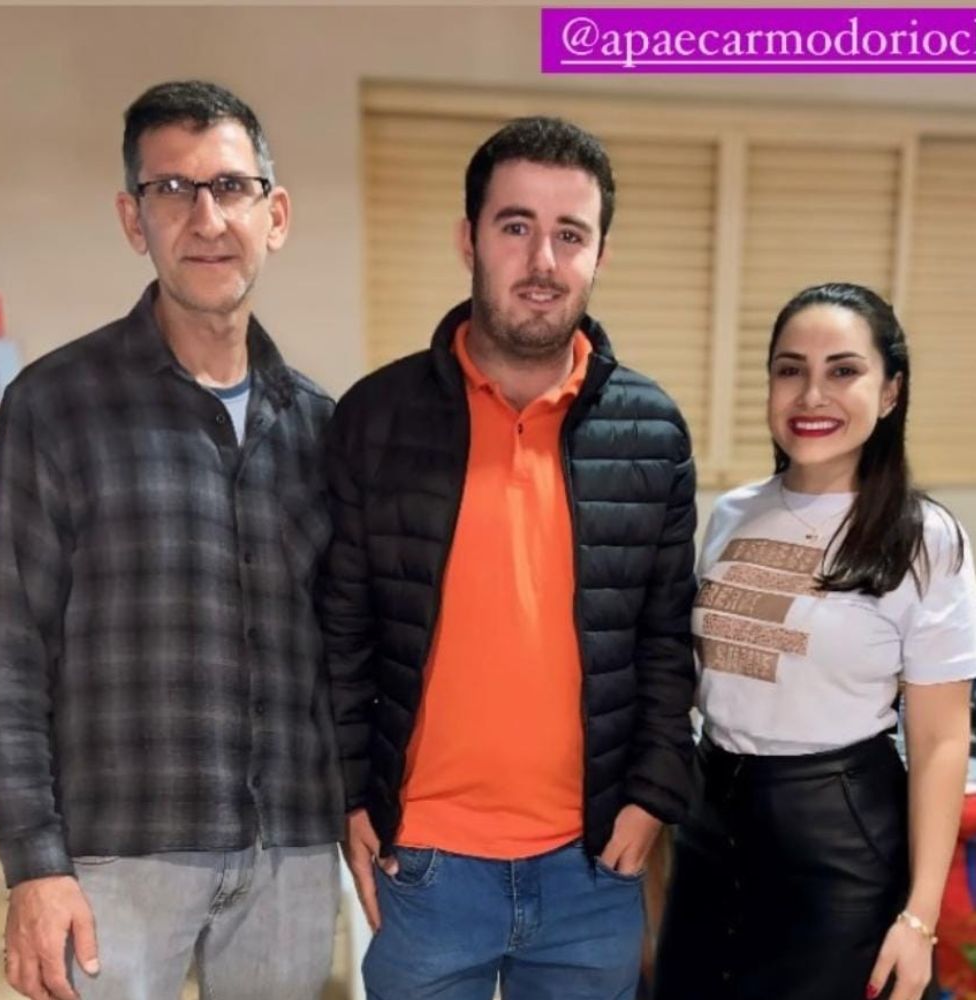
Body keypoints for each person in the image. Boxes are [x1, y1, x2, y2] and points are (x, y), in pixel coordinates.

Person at [0, 80, 343, 1000]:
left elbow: (347, 648)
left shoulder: (323, 426)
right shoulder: (56, 405)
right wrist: (33, 864)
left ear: (275, 215)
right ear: (132, 219)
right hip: (113, 858)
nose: (206, 218)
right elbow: (8, 654)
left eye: (230, 187)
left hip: (292, 850)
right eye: (172, 189)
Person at [321, 115, 698, 1000]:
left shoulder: (651, 430)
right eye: (516, 226)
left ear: (600, 254)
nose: (543, 261)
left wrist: (652, 795)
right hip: (424, 866)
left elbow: (664, 637)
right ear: (469, 239)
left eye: (571, 234)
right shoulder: (376, 418)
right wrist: (348, 795)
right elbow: (343, 629)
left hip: (591, 868)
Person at [653, 282, 976, 1000]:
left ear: (890, 393)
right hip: (710, 823)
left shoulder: (924, 539)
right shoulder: (734, 512)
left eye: (843, 370)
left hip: (837, 843)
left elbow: (939, 741)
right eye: (790, 369)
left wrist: (919, 919)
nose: (811, 395)